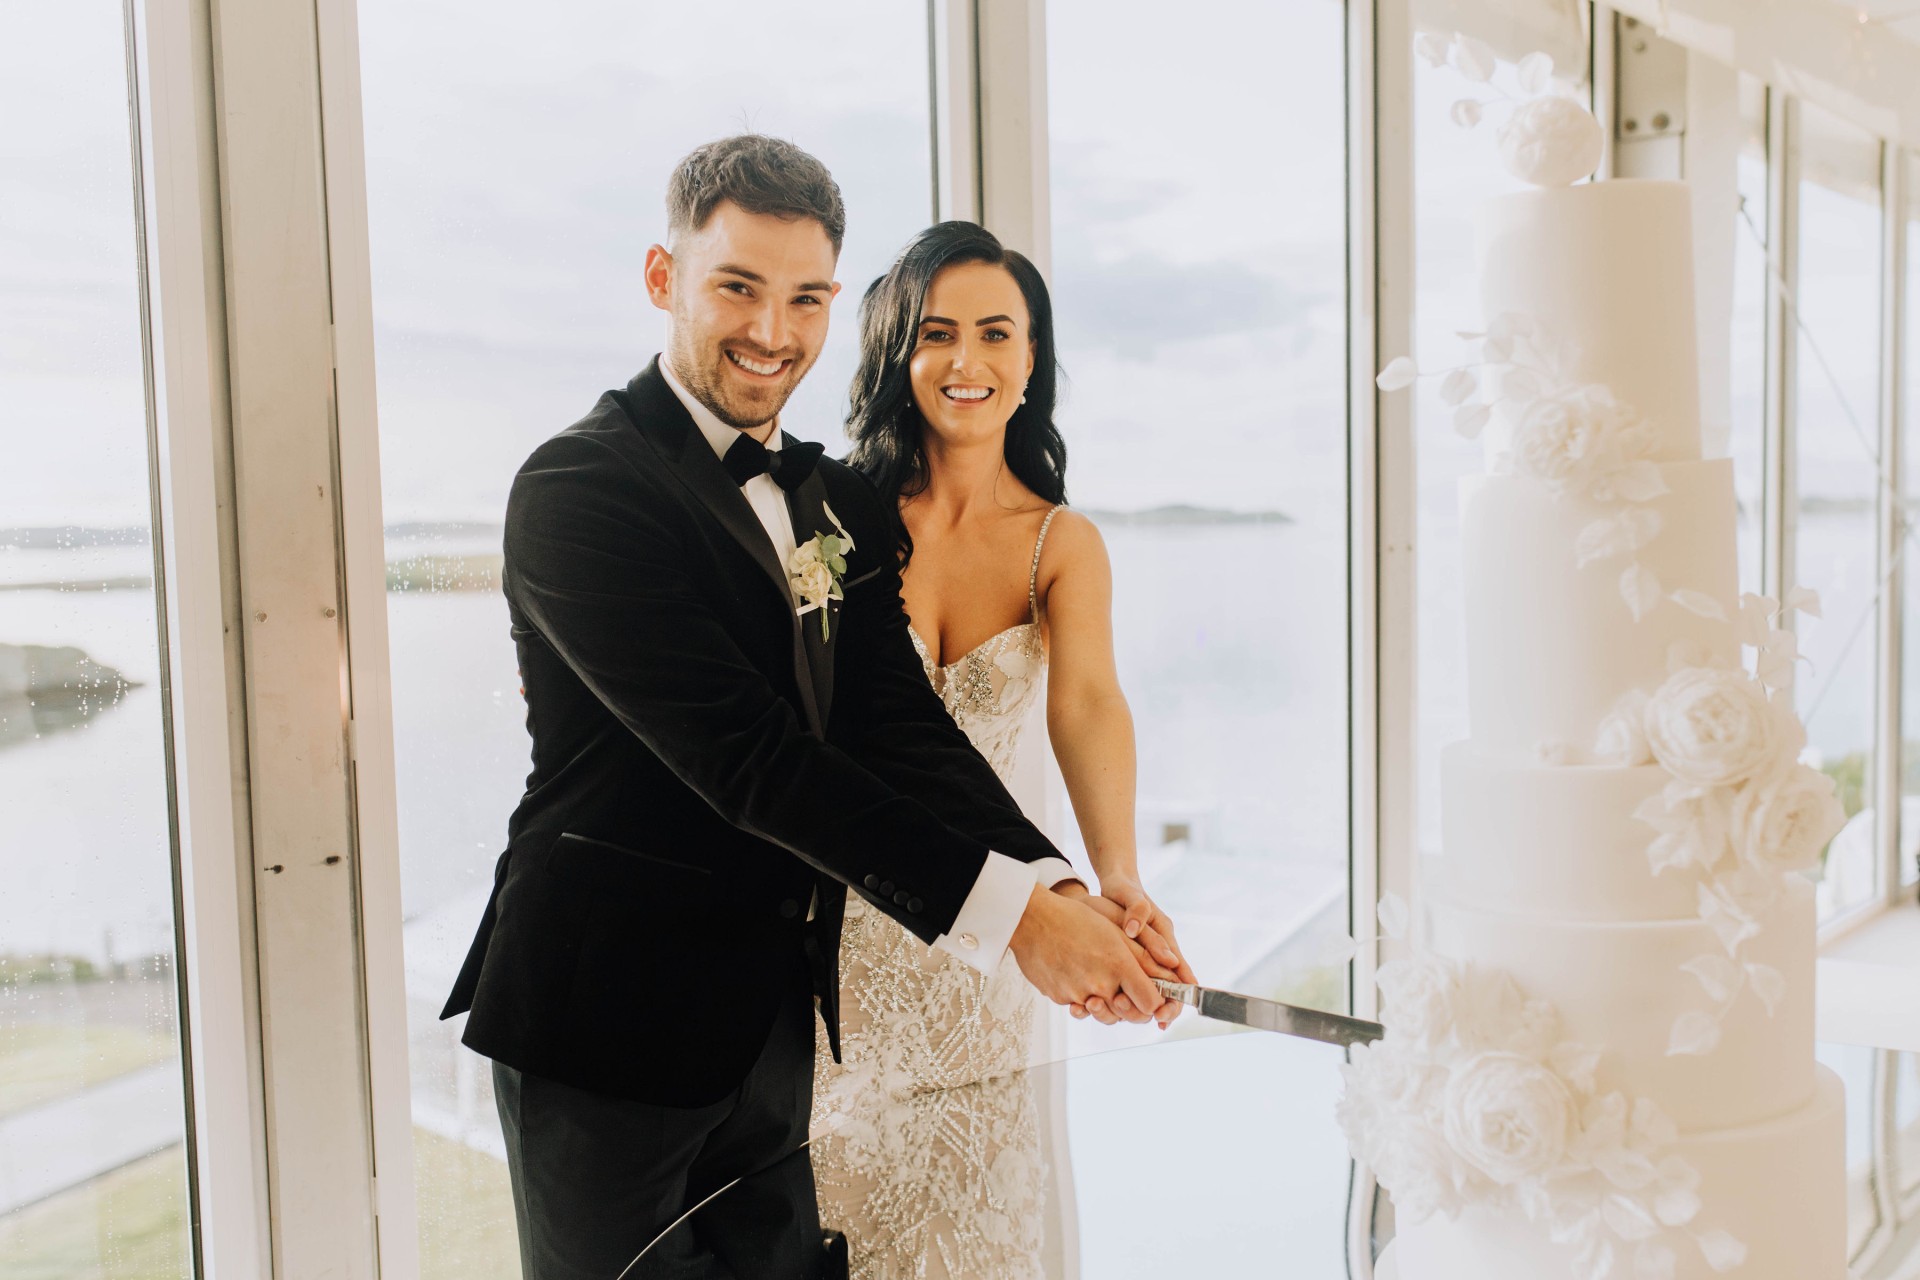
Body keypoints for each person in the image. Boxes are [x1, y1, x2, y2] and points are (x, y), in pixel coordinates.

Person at [437, 136, 1185, 1280]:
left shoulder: (831, 498)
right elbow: (752, 758)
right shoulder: (577, 486)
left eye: (803, 298)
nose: (771, 332)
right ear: (662, 277)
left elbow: (896, 721)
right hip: (605, 1025)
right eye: (737, 286)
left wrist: (1062, 884)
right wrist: (1017, 920)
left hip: (777, 1028)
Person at [812, 222, 1195, 1277]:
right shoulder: (829, 520)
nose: (966, 361)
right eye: (937, 334)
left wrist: (1114, 877)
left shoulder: (1059, 542)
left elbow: (1088, 703)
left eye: (996, 333)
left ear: (1033, 360)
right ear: (898, 355)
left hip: (992, 959)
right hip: (836, 948)